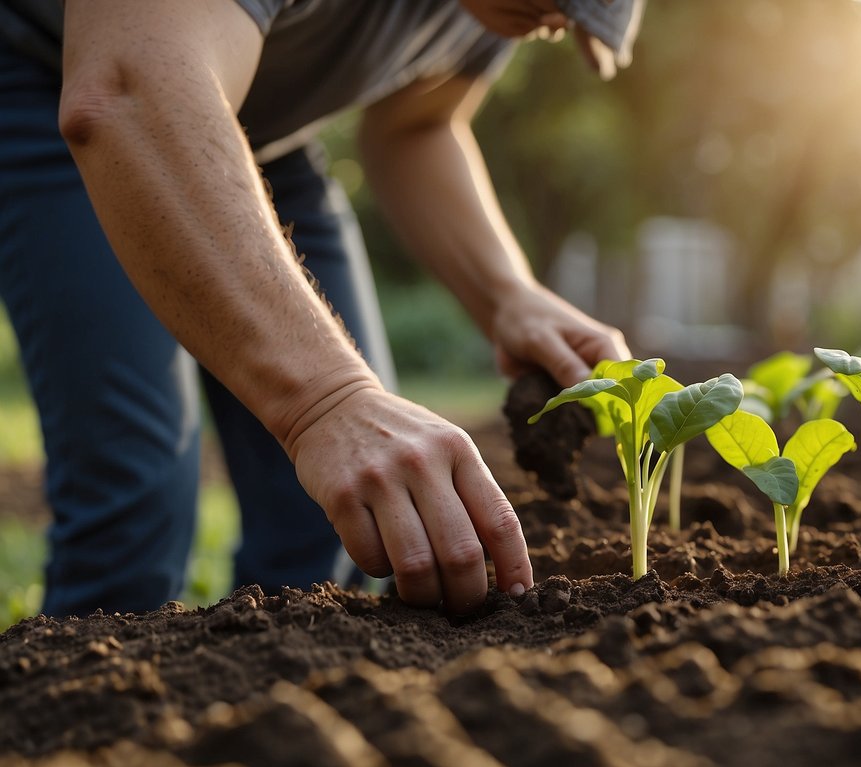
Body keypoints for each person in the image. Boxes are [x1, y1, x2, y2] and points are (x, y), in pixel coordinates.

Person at [0, 0, 644, 618]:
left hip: (266, 131)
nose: (557, 23)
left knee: (338, 517)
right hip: (60, 74)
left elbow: (418, 124)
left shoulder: (502, 8)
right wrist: (324, 399)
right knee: (136, 508)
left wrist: (507, 292)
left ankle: (259, 725)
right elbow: (126, 88)